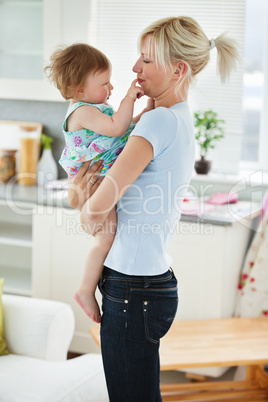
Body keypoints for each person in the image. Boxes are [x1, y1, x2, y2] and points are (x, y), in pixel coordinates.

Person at [68, 16, 239, 402]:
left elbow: (94, 212)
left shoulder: (156, 122)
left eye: (146, 60)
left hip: (132, 290)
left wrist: (83, 198)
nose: (134, 68)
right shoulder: (177, 118)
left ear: (178, 69)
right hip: (148, 283)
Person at [45, 43, 150, 323]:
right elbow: (117, 127)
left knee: (105, 236)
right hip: (96, 182)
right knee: (105, 238)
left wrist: (143, 115)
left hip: (99, 180)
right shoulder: (82, 111)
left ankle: (87, 287)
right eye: (104, 82)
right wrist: (131, 98)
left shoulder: (93, 109)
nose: (112, 88)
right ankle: (85, 289)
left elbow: (122, 130)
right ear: (79, 90)